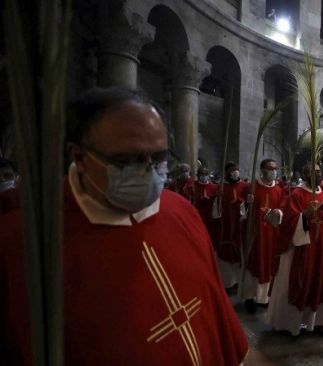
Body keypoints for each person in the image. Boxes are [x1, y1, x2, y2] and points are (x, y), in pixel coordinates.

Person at [0, 87, 248, 365]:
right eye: (128, 160)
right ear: (79, 156)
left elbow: (212, 303)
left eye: (160, 158)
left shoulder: (180, 211)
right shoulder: (23, 243)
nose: (148, 170)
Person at [265, 164, 323, 337]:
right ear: (304, 174)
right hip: (301, 249)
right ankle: (290, 324)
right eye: (312, 172)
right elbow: (289, 221)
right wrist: (304, 215)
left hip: (321, 248)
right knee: (299, 282)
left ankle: (320, 322)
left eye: (319, 172)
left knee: (321, 282)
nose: (317, 175)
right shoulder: (296, 194)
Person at [239, 158, 285, 314]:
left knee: (269, 264)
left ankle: (264, 297)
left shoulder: (278, 190)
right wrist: (247, 202)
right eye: (270, 168)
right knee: (254, 263)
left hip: (272, 234)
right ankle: (249, 297)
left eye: (275, 168)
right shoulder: (252, 187)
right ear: (262, 170)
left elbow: (281, 207)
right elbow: (241, 211)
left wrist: (279, 212)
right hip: (255, 234)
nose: (273, 171)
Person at [216, 161, 249, 290]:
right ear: (226, 172)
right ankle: (227, 282)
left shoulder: (245, 186)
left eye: (236, 169)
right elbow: (216, 208)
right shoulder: (221, 187)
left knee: (239, 253)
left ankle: (239, 281)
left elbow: (249, 204)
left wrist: (246, 202)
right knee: (225, 253)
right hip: (226, 225)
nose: (235, 172)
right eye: (232, 170)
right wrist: (218, 198)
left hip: (240, 225)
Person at [191, 166, 219, 246]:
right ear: (198, 175)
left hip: (209, 216)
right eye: (202, 174)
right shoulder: (193, 186)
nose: (204, 176)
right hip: (197, 214)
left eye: (205, 174)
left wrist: (212, 198)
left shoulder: (214, 187)